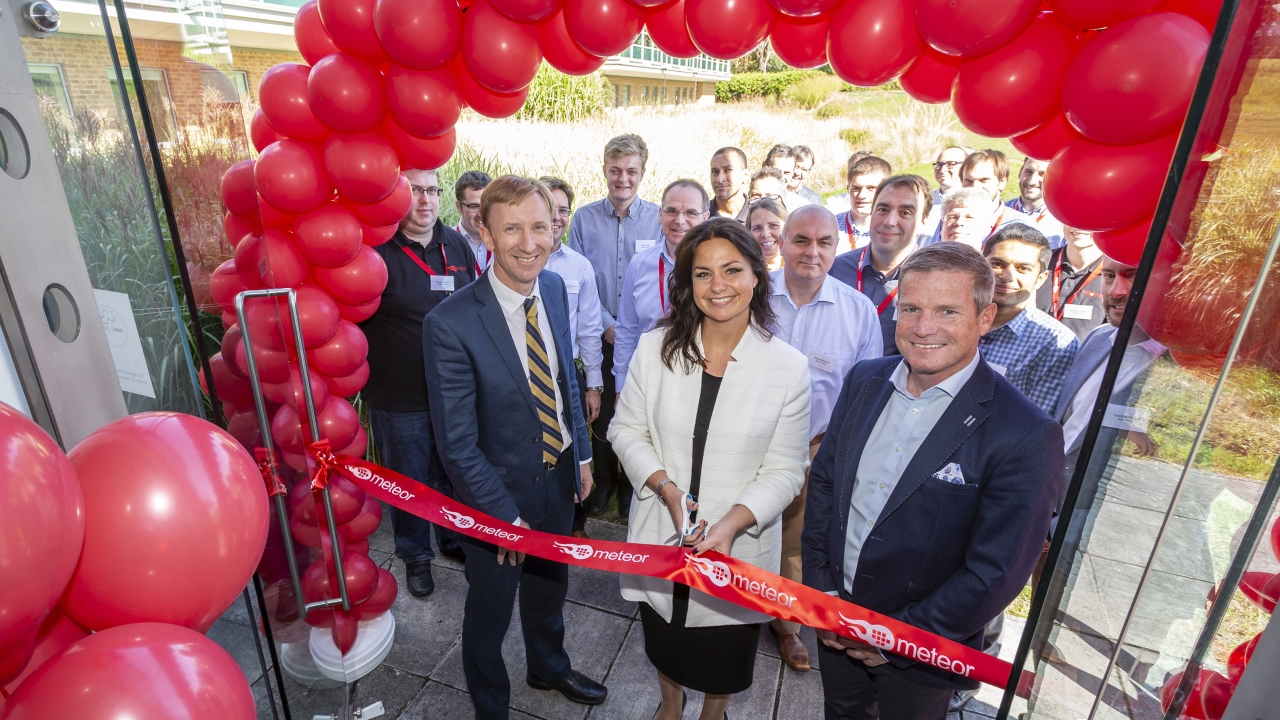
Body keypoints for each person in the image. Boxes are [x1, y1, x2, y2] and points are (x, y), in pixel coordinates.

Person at [802, 242, 1064, 720]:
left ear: (985, 318)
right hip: (837, 624)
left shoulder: (1026, 433)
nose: (924, 328)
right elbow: (825, 487)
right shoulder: (864, 380)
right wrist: (823, 593)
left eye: (947, 311)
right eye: (912, 309)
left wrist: (894, 639)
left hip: (925, 651)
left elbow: (997, 571)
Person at [608, 217, 810, 720]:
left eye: (732, 270)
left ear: (758, 277)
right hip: (663, 535)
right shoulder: (656, 349)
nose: (717, 285)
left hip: (735, 549)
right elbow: (624, 430)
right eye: (702, 273)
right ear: (687, 282)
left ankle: (712, 712)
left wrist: (732, 523)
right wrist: (666, 487)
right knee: (665, 637)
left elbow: (787, 470)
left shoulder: (787, 368)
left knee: (722, 658)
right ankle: (671, 704)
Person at [423, 176, 605, 719]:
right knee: (490, 611)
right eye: (513, 229)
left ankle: (547, 667)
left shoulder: (551, 288)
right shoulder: (449, 324)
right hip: (494, 499)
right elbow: (456, 444)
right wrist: (502, 518)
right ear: (485, 231)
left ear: (556, 228)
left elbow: (564, 377)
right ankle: (490, 704)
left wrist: (583, 456)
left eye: (540, 227)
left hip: (556, 480)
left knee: (550, 589)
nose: (530, 243)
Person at [766, 205, 881, 672]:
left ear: (838, 247)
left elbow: (867, 392)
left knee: (795, 539)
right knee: (736, 526)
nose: (812, 252)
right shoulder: (749, 295)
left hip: (813, 447)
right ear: (781, 241)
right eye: (800, 240)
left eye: (824, 242)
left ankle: (786, 627)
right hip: (744, 438)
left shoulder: (858, 312)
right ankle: (728, 609)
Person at [362, 167, 474, 598]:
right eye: (414, 191)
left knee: (449, 472)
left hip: (451, 392)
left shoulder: (457, 243)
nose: (425, 200)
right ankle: (415, 555)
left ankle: (448, 537)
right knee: (407, 479)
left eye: (432, 190)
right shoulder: (377, 251)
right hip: (399, 394)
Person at [568, 134, 663, 521]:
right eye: (615, 171)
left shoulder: (658, 218)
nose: (623, 179)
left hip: (648, 340)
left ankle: (631, 484)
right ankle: (605, 480)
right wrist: (609, 326)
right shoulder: (584, 219)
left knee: (642, 412)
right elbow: (578, 279)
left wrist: (632, 330)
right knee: (606, 413)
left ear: (643, 172)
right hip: (600, 334)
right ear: (604, 170)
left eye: (631, 171)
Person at [541, 176, 605, 539]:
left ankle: (575, 523)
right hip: (529, 371)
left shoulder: (579, 266)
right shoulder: (510, 260)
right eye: (549, 208)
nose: (556, 217)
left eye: (563, 210)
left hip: (569, 373)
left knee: (577, 447)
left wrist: (592, 384)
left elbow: (590, 329)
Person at [613, 180, 710, 393]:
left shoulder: (716, 269)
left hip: (701, 382)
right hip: (647, 382)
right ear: (660, 215)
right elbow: (627, 330)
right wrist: (621, 387)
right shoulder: (639, 265)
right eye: (672, 211)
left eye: (691, 213)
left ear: (705, 217)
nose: (680, 220)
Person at [979, 224, 1080, 415]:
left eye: (1023, 268)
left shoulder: (1055, 342)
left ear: (1041, 279)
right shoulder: (951, 317)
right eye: (998, 264)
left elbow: (1034, 423)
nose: (1007, 276)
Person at [830, 174, 933, 356]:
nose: (889, 221)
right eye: (883, 209)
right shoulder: (834, 271)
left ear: (924, 222)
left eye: (905, 213)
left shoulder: (932, 282)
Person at [1037, 226, 1105, 341]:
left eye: (1089, 220)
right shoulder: (1037, 263)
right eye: (1073, 219)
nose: (1079, 226)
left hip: (1082, 357)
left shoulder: (1114, 275)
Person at [835, 156, 892, 254]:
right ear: (848, 189)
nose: (861, 195)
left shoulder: (895, 230)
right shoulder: (831, 226)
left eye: (871, 188)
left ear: (887, 189)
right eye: (856, 188)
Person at [1007, 157, 1065, 249]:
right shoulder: (1001, 212)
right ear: (1019, 173)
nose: (1031, 181)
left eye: (1042, 174)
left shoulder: (1062, 222)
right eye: (1028, 172)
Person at [922, 146, 967, 237]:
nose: (943, 170)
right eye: (939, 164)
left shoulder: (974, 204)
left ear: (965, 167)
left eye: (951, 164)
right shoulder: (923, 202)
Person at [454, 170, 493, 273]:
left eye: (486, 206)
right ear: (458, 207)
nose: (481, 214)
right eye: (474, 206)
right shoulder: (446, 244)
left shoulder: (502, 241)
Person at [824, 151, 873, 215]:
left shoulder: (885, 204)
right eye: (855, 171)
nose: (861, 175)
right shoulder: (832, 205)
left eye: (866, 171)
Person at [709, 147, 751, 221]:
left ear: (745, 175)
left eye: (728, 170)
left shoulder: (759, 214)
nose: (720, 179)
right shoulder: (701, 215)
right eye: (715, 172)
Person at [764, 144, 811, 209]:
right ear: (764, 166)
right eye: (776, 171)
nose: (781, 177)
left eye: (787, 173)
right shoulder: (750, 201)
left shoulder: (802, 207)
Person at [748, 197, 787, 272]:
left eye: (773, 225)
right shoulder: (744, 271)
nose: (765, 234)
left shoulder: (799, 269)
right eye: (757, 228)